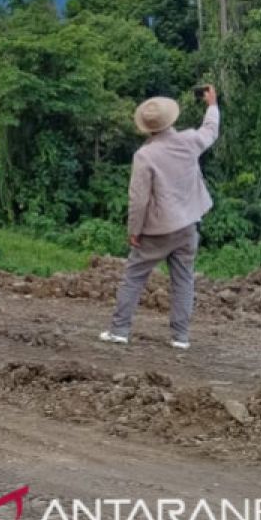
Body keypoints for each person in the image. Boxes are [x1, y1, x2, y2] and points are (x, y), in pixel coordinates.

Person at [100, 86, 220, 350]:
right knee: (184, 280)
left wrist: (134, 230)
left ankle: (119, 330)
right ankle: (181, 337)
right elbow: (210, 131)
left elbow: (138, 198)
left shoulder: (145, 155)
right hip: (188, 224)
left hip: (157, 230)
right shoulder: (189, 141)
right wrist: (212, 105)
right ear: (171, 120)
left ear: (147, 127)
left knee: (134, 276)